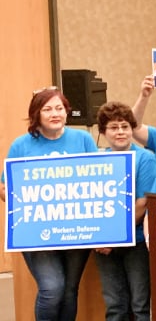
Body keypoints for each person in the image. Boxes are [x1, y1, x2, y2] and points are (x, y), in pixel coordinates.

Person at [0, 87, 98, 320]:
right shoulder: (21, 145)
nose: (55, 113)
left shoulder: (83, 139)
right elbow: (4, 188)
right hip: (36, 232)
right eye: (47, 109)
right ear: (37, 114)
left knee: (69, 291)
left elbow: (100, 177)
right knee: (52, 288)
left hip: (77, 228)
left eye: (59, 108)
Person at [94, 101, 156, 321]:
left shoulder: (145, 158)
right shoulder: (95, 159)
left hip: (136, 243)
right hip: (104, 246)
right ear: (103, 132)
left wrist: (114, 237)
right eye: (113, 127)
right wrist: (101, 238)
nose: (120, 132)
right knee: (114, 306)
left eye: (124, 126)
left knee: (140, 306)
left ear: (132, 129)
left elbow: (142, 203)